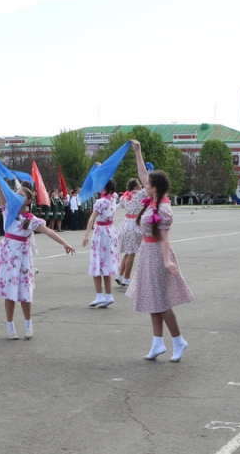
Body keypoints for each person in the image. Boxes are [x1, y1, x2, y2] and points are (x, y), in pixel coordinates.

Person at [0, 167, 75, 339]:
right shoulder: (8, 211)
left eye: (21, 195)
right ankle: (10, 326)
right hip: (7, 255)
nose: (16, 197)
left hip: (23, 258)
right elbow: (1, 191)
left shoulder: (31, 220)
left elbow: (48, 231)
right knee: (9, 293)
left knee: (25, 292)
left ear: (28, 201)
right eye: (16, 194)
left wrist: (65, 243)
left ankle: (28, 323)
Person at [125, 141, 194, 362]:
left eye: (147, 184)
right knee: (151, 301)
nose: (144, 184)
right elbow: (143, 173)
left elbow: (164, 239)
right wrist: (138, 151)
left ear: (155, 188)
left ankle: (178, 341)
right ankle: (157, 343)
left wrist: (166, 261)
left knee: (162, 303)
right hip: (147, 251)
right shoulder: (152, 201)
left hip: (157, 254)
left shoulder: (163, 209)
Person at [83, 176, 120, 308]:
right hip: (110, 232)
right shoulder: (113, 198)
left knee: (97, 263)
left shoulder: (101, 202)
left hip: (101, 232)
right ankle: (108, 295)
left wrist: (86, 234)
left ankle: (99, 295)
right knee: (107, 263)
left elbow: (91, 218)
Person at [116, 155, 148, 288]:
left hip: (125, 224)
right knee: (131, 253)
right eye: (139, 184)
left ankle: (120, 275)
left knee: (127, 252)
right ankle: (127, 278)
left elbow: (117, 206)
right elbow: (148, 186)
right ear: (136, 186)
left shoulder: (125, 196)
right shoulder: (141, 194)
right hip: (134, 225)